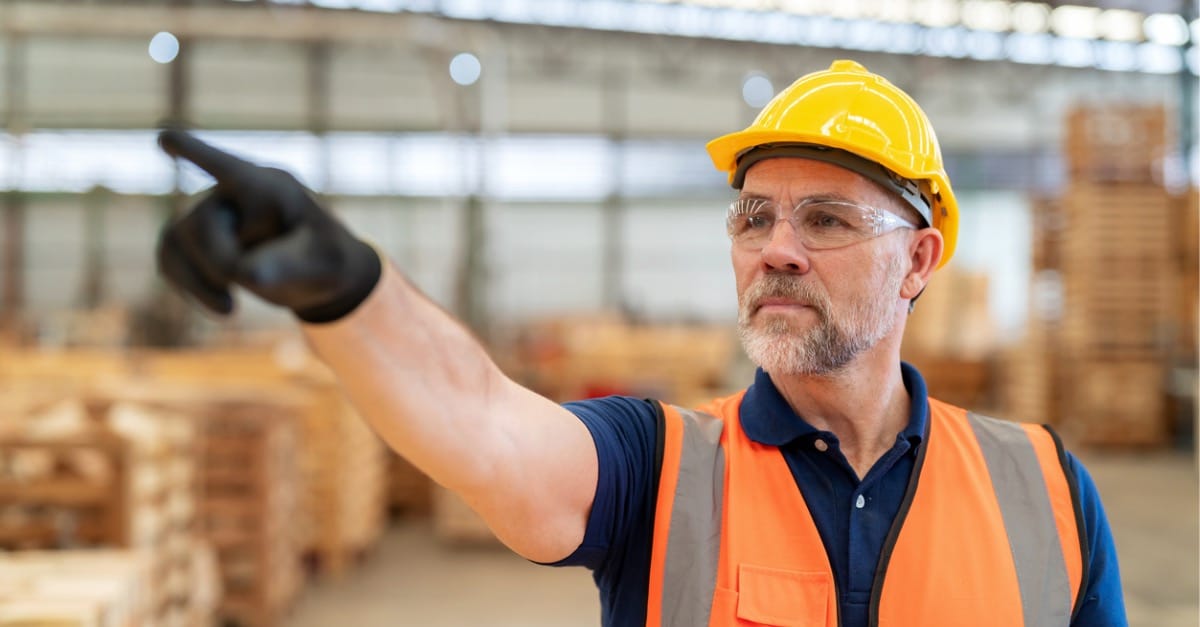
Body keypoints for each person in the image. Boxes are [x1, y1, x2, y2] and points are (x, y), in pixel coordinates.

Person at [156, 59, 1126, 626]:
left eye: (825, 222)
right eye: (754, 219)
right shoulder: (659, 467)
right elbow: (487, 426)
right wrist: (348, 291)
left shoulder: (1043, 490)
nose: (776, 251)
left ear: (917, 260)